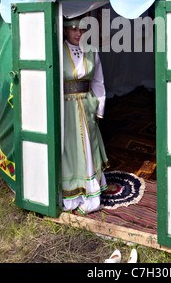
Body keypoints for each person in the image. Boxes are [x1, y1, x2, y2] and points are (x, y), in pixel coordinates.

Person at [62, 16, 109, 215]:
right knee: (69, 150)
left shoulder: (92, 50)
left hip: (86, 106)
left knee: (88, 150)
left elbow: (98, 81)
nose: (78, 33)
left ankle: (91, 198)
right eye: (73, 29)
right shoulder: (55, 51)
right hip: (65, 108)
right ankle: (71, 197)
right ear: (64, 30)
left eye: (81, 29)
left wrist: (99, 108)